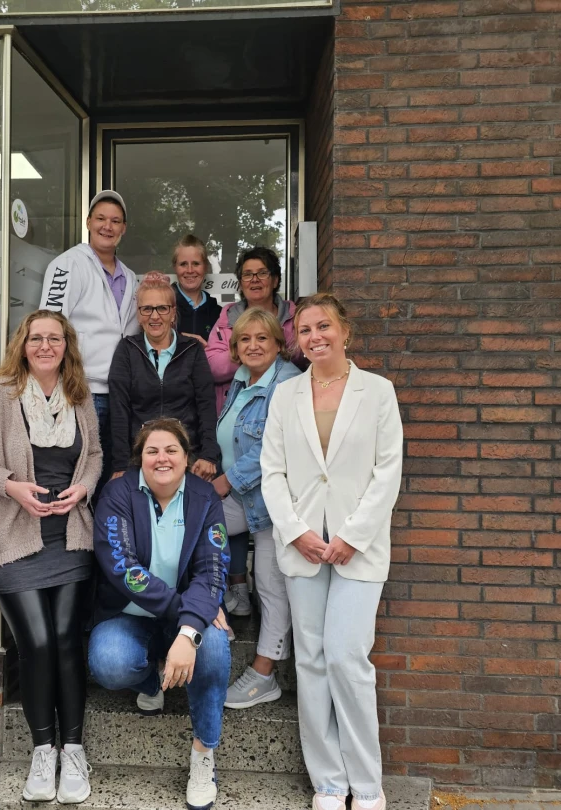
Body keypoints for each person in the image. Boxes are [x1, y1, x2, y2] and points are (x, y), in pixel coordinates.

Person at [260, 293, 403, 810]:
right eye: (304, 330)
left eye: (323, 326)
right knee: (312, 661)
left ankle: (366, 785)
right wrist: (295, 531)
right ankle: (328, 782)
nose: (314, 337)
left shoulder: (378, 392)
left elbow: (388, 472)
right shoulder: (285, 395)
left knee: (346, 657)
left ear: (345, 331)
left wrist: (352, 535)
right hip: (303, 548)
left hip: (357, 550)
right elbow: (272, 472)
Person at [0, 310, 102, 804]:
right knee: (38, 642)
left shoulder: (79, 394)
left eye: (54, 338)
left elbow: (94, 455)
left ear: (67, 345)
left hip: (70, 537)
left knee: (66, 640)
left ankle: (74, 750)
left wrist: (83, 489)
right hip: (15, 538)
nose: (45, 346)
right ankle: (43, 750)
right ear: (23, 344)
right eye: (36, 338)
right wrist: (11, 486)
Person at [87, 418, 232, 810]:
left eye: (171, 450)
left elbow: (213, 568)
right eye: (152, 451)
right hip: (131, 614)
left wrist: (190, 629)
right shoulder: (117, 493)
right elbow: (122, 567)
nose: (162, 458)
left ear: (186, 458)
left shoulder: (204, 496)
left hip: (189, 613)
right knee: (109, 662)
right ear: (140, 458)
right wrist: (189, 611)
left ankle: (203, 754)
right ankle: (154, 682)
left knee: (213, 649)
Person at [210, 308, 301, 707]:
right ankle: (213, 612)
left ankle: (265, 674)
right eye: (244, 339)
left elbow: (273, 446)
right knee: (190, 527)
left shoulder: (288, 383)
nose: (253, 346)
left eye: (262, 338)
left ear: (279, 344)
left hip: (273, 502)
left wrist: (226, 481)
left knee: (269, 582)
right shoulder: (242, 379)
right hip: (243, 498)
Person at [40, 190, 137, 494]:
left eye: (115, 221)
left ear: (124, 228)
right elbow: (49, 326)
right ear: (88, 222)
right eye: (101, 219)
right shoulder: (68, 265)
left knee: (110, 476)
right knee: (78, 476)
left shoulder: (130, 277)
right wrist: (54, 387)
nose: (108, 226)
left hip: (119, 394)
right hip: (80, 391)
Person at [107, 272, 220, 481]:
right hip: (140, 458)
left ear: (173, 312)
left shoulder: (192, 349)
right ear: (138, 314)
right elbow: (119, 410)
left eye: (162, 308)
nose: (154, 316)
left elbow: (206, 405)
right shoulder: (127, 350)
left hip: (187, 456)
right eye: (147, 309)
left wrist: (209, 455)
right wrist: (121, 465)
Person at [205, 246, 300, 412]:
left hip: (284, 407)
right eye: (247, 274)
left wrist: (245, 353)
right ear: (241, 283)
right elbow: (212, 366)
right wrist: (256, 352)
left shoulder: (295, 318)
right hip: (235, 409)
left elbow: (304, 356)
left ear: (275, 280)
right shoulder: (227, 318)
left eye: (262, 273)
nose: (254, 280)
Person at [172, 234, 222, 346]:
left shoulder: (219, 314)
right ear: (175, 267)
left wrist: (207, 350)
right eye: (183, 264)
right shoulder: (163, 307)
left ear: (205, 267)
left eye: (196, 263)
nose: (190, 270)